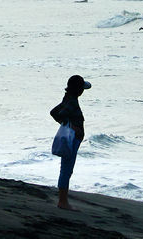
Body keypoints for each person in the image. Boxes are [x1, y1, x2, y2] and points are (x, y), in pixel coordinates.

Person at [50, 74, 90, 210]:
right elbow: (57, 114)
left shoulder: (68, 99)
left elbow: (54, 112)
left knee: (66, 169)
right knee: (67, 169)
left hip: (72, 138)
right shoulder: (72, 101)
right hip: (72, 139)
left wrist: (66, 122)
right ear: (78, 89)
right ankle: (62, 201)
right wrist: (70, 125)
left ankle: (63, 200)